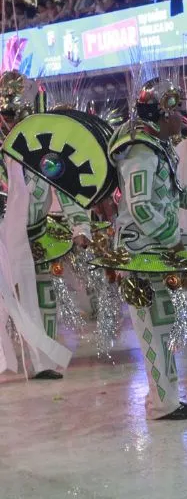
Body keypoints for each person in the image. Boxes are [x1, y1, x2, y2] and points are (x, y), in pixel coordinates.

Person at [108, 76, 187, 420]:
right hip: (141, 252)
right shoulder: (141, 151)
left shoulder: (159, 148)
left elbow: (175, 196)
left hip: (156, 249)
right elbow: (141, 205)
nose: (184, 118)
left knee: (163, 324)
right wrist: (172, 239)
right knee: (153, 328)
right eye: (178, 111)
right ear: (162, 114)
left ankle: (167, 399)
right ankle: (162, 403)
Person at [0, 71, 93, 380]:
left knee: (43, 298)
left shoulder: (46, 151)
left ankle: (43, 362)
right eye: (4, 113)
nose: (8, 119)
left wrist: (81, 228)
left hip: (38, 236)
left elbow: (67, 190)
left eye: (13, 112)